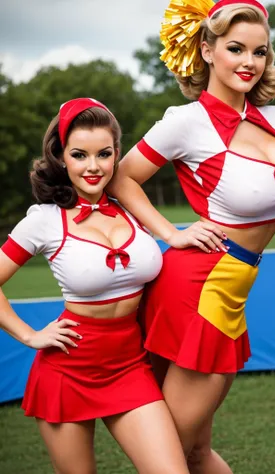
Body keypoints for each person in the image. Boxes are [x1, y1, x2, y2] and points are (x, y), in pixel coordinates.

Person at [107, 0, 275, 471]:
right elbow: (120, 177)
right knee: (168, 458)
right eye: (235, 48)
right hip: (196, 286)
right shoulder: (186, 122)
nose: (249, 62)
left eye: (260, 51)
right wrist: (170, 232)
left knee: (195, 451)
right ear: (207, 49)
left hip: (231, 286)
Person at [0, 98, 190, 474]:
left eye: (103, 154)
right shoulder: (43, 221)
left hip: (131, 366)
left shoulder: (130, 205)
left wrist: (179, 235)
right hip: (68, 371)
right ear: (61, 157)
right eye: (79, 155)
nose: (92, 166)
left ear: (117, 154)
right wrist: (29, 335)